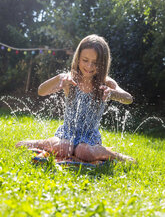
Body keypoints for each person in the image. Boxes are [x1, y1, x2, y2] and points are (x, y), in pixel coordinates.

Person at [16, 34, 134, 162]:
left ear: (103, 63)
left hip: (90, 138)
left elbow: (128, 98)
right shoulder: (70, 79)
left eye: (95, 63)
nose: (89, 66)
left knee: (83, 152)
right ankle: (39, 143)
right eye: (85, 60)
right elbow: (41, 91)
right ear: (78, 59)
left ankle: (113, 155)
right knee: (64, 148)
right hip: (66, 133)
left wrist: (113, 93)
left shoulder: (106, 82)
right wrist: (59, 78)